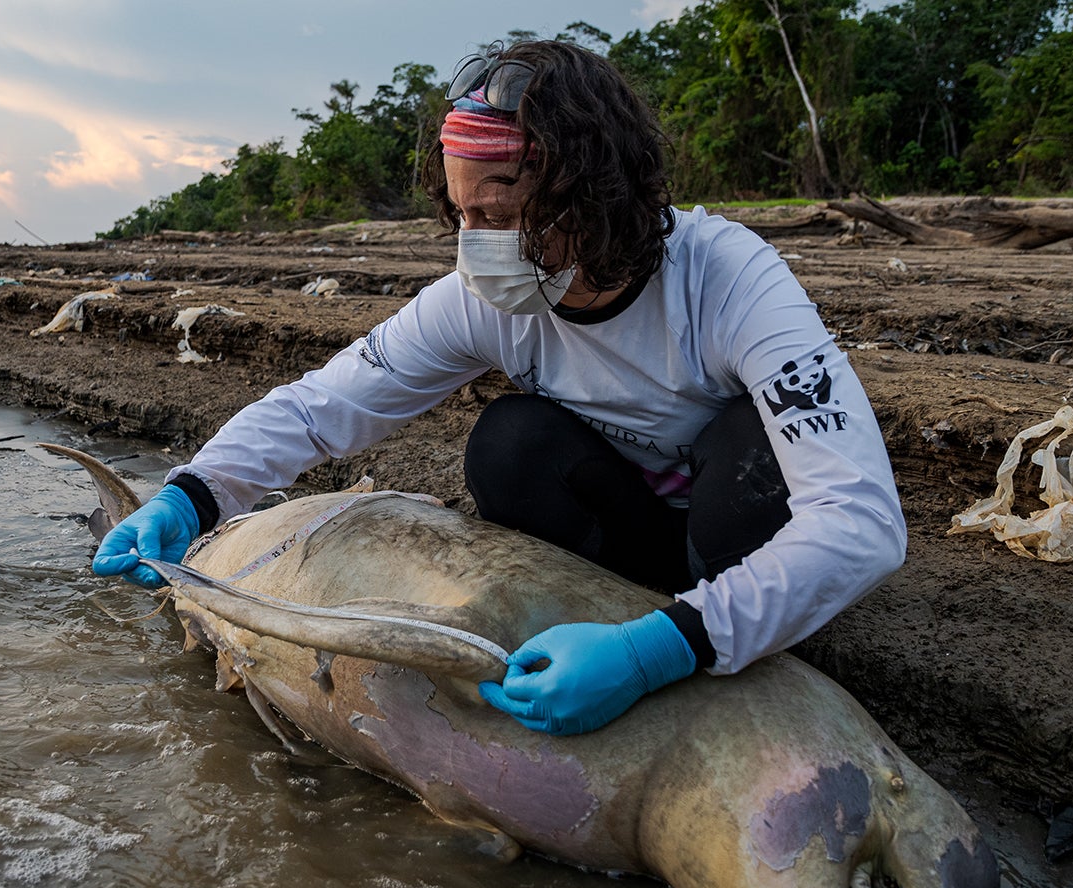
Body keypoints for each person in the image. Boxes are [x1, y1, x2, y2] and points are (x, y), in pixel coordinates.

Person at [92, 40, 905, 736]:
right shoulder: (484, 301)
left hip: (732, 531)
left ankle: (707, 633)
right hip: (630, 533)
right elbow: (325, 405)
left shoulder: (730, 280)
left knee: (754, 446)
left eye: (504, 213)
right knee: (511, 442)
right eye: (463, 218)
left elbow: (860, 522)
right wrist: (193, 496)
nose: (479, 246)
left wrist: (660, 649)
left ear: (597, 194)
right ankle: (605, 632)